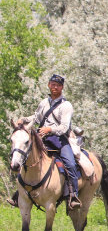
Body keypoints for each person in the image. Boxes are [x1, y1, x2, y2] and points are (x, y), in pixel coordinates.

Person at [7, 74, 81, 210]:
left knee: (70, 164)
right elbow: (35, 117)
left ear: (62, 87)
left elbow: (64, 127)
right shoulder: (44, 103)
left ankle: (73, 195)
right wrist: (23, 120)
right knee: (25, 158)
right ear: (49, 85)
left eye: (58, 85)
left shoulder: (66, 105)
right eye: (53, 84)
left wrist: (49, 129)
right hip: (43, 139)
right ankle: (19, 194)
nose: (55, 87)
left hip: (60, 140)